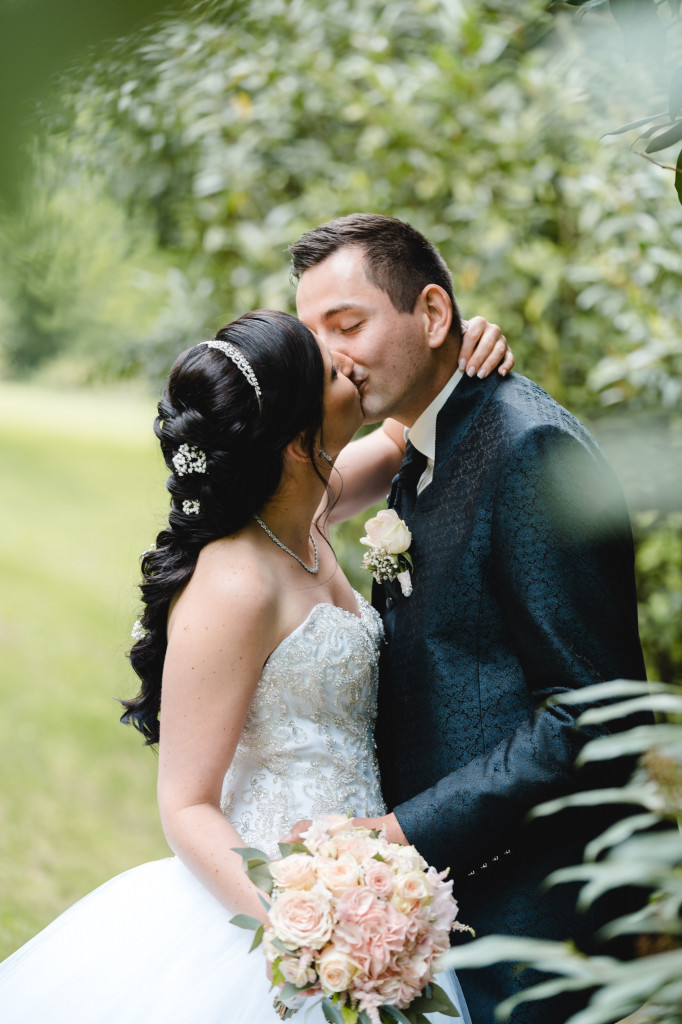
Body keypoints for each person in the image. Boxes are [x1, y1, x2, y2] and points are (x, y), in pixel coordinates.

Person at [0, 308, 509, 1022]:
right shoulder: (235, 583)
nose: (350, 364)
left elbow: (402, 434)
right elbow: (185, 803)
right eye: (332, 369)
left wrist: (463, 345)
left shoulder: (308, 511)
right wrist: (307, 926)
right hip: (276, 912)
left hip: (372, 885)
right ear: (299, 442)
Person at [287, 214, 648, 1024]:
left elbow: (589, 714)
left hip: (530, 924)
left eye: (348, 325)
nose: (332, 357)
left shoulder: (529, 450)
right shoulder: (423, 439)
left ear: (435, 314)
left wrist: (402, 835)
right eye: (314, 337)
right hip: (448, 909)